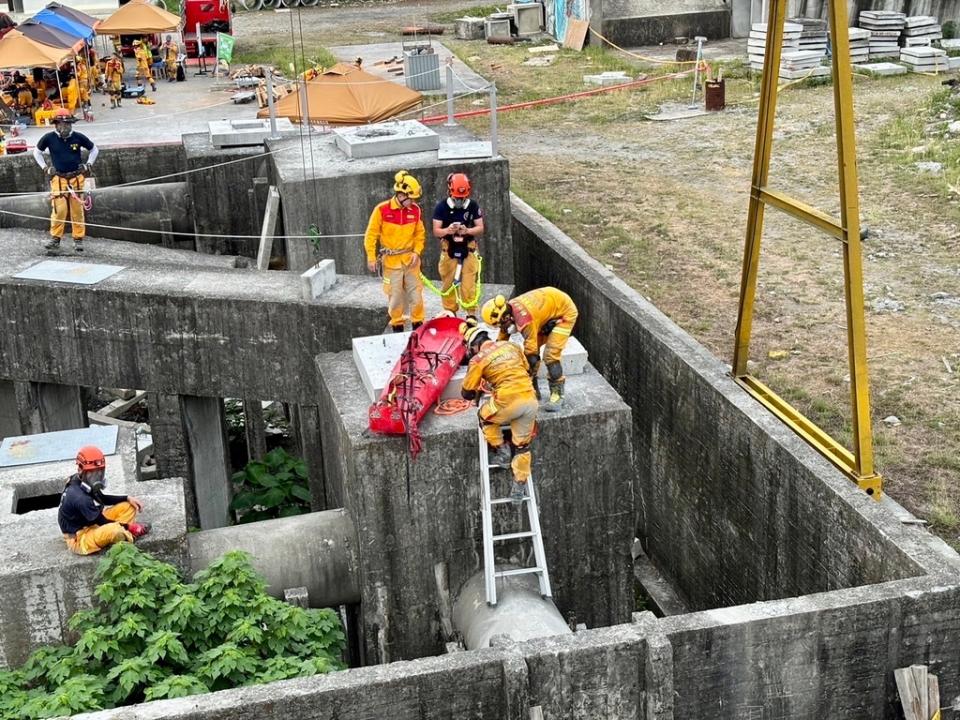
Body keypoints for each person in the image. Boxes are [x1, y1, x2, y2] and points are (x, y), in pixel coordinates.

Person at [461, 322, 539, 503]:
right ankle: (519, 486)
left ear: (474, 346)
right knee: (522, 446)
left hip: (507, 402)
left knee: (484, 416)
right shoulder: (511, 345)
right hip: (530, 400)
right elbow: (526, 369)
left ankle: (501, 451)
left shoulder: (478, 359)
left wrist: (483, 383)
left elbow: (466, 393)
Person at [481, 287, 579, 412]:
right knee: (531, 356)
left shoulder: (525, 320)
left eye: (502, 325)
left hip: (565, 312)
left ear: (506, 318)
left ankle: (557, 394)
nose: (503, 328)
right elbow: (501, 342)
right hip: (546, 310)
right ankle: (533, 391)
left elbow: (531, 355)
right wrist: (491, 362)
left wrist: (523, 376)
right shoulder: (507, 311)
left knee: (550, 356)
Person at [58, 446, 150, 556]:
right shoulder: (80, 498)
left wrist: (127, 498)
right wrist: (129, 527)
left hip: (91, 522)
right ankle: (129, 536)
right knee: (115, 531)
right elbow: (101, 521)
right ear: (80, 469)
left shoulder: (79, 480)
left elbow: (102, 498)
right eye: (92, 473)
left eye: (100, 472)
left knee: (128, 506)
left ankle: (118, 535)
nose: (97, 477)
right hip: (80, 537)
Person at [364, 170, 426, 332]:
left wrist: (417, 252)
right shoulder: (382, 210)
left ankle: (417, 325)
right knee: (395, 297)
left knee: (416, 295)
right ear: (401, 195)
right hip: (391, 263)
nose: (413, 202)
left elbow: (420, 234)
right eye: (411, 199)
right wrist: (371, 257)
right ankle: (397, 325)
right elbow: (371, 235)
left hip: (411, 261)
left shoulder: (415, 211)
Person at [33, 109, 98, 254]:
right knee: (59, 210)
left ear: (71, 124)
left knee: (77, 210)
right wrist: (45, 168)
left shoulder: (78, 137)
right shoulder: (48, 138)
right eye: (61, 124)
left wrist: (89, 164)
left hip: (76, 178)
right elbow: (36, 152)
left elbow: (94, 149)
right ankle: (55, 238)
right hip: (59, 179)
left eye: (67, 124)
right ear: (56, 125)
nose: (64, 127)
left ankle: (78, 239)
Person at [432, 172, 484, 319]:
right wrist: (448, 230)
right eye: (457, 198)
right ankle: (450, 312)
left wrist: (467, 230)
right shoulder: (441, 207)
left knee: (468, 285)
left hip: (468, 247)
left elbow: (480, 227)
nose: (460, 201)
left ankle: (471, 314)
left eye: (463, 198)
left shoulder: (473, 206)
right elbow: (436, 231)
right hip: (449, 248)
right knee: (447, 282)